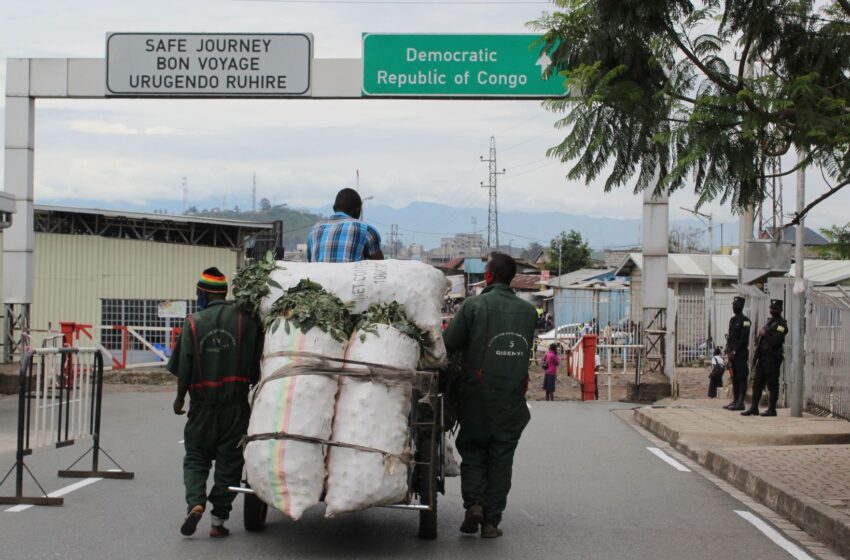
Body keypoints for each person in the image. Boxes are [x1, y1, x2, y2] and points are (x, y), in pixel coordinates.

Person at [442, 252, 537, 539]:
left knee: (472, 450)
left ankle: (474, 504)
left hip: (475, 396)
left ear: (489, 276)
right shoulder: (529, 313)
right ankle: (492, 521)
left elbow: (449, 343)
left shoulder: (473, 306)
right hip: (511, 399)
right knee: (501, 457)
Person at [168, 267, 263, 538]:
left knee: (196, 458)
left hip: (201, 406)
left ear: (204, 294)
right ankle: (218, 522)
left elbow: (184, 367)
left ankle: (195, 502)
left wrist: (179, 399)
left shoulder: (194, 322)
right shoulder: (248, 320)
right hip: (235, 406)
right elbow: (257, 363)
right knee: (229, 463)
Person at [306, 188, 384, 262]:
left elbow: (311, 263)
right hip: (350, 276)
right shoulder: (367, 231)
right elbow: (379, 268)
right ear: (358, 210)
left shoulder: (314, 231)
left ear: (334, 208)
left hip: (319, 276)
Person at [742, 299, 788, 417]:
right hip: (762, 357)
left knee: (772, 384)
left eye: (775, 309)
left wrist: (764, 333)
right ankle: (754, 407)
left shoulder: (782, 324)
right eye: (771, 308)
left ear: (780, 310)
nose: (772, 311)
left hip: (772, 358)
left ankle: (772, 409)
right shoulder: (770, 322)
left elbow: (776, 341)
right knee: (757, 383)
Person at [723, 296, 751, 411]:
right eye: (733, 306)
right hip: (732, 355)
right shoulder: (732, 320)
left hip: (740, 354)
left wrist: (734, 351)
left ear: (741, 307)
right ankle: (735, 400)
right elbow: (731, 338)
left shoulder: (746, 321)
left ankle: (741, 402)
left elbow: (743, 339)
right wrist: (728, 350)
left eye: (736, 306)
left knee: (741, 377)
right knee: (733, 377)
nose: (734, 308)